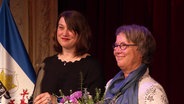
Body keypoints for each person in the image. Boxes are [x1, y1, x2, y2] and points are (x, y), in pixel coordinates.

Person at [32, 10, 105, 104]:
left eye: (70, 29)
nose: (64, 33)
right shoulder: (47, 64)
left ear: (81, 33)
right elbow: (34, 98)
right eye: (61, 27)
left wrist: (57, 101)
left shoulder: (92, 66)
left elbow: (95, 101)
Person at [104, 24, 168, 104]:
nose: (117, 51)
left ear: (141, 50)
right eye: (116, 45)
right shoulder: (111, 85)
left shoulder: (151, 91)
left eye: (123, 45)